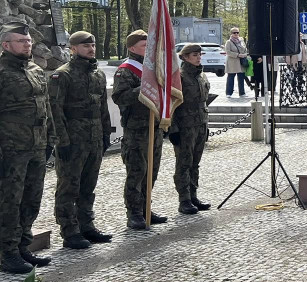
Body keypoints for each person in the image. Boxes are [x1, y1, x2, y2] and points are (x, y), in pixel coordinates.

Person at [49, 30, 113, 252]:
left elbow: (102, 107)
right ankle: (69, 231)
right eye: (85, 46)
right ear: (73, 49)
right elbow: (55, 110)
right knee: (69, 186)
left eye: (93, 45)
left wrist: (106, 133)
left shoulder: (98, 75)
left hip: (93, 138)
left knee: (88, 185)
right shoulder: (62, 75)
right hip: (73, 140)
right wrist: (62, 141)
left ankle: (87, 225)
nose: (91, 49)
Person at [0, 23, 55, 273]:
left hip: (36, 145)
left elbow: (45, 107)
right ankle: (7, 253)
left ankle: (23, 246)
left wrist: (50, 139)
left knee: (31, 198)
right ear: (6, 45)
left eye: (28, 40)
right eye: (21, 41)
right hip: (10, 148)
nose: (27, 44)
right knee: (9, 201)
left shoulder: (34, 69)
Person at [112, 30, 168, 230]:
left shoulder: (153, 68)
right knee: (137, 172)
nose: (149, 49)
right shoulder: (125, 70)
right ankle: (134, 212)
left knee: (151, 172)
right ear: (132, 48)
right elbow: (120, 97)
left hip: (154, 127)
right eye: (145, 46)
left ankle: (146, 208)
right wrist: (145, 87)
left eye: (149, 45)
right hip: (136, 130)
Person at [169, 44, 212, 215]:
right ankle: (184, 199)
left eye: (199, 54)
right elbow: (172, 105)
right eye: (194, 55)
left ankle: (193, 195)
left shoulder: (201, 75)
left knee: (195, 163)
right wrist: (173, 129)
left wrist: (206, 125)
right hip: (185, 126)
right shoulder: (179, 77)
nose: (198, 57)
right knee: (184, 164)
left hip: (200, 124)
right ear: (185, 57)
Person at [224, 27, 249, 98]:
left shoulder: (241, 41)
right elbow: (228, 52)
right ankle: (228, 93)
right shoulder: (228, 42)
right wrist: (237, 55)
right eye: (234, 32)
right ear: (231, 34)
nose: (236, 34)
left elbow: (245, 49)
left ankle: (242, 93)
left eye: (237, 32)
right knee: (231, 77)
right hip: (232, 63)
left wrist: (244, 54)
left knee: (241, 78)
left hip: (241, 62)